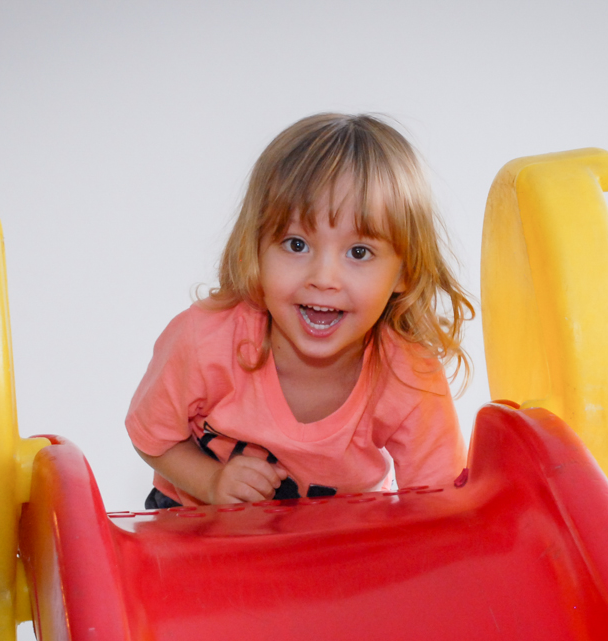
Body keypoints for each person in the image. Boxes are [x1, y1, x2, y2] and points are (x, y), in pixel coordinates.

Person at [126, 113, 475, 508]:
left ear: (405, 272)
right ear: (255, 248)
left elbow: (437, 505)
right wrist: (210, 482)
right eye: (296, 244)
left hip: (329, 547)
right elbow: (152, 435)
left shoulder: (410, 376)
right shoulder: (203, 339)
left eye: (359, 252)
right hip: (196, 528)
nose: (324, 278)